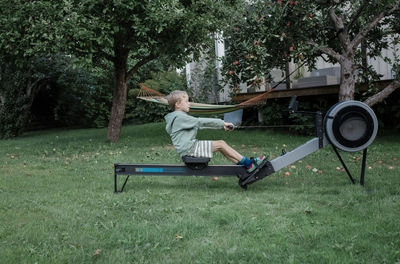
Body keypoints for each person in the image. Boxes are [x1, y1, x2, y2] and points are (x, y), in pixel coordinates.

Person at [164, 90, 266, 173]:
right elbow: (200, 122)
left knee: (221, 146)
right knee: (221, 144)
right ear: (177, 104)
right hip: (190, 149)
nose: (189, 103)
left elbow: (199, 126)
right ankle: (249, 164)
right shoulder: (180, 117)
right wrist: (222, 123)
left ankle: (245, 166)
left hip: (188, 148)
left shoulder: (178, 117)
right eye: (186, 101)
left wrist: (221, 126)